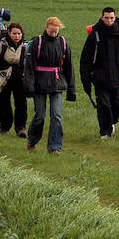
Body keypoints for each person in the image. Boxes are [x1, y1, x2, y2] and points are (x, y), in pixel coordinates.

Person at [79, 7, 119, 139]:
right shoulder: (95, 34)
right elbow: (85, 59)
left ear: (115, 18)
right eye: (106, 18)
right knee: (103, 106)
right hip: (100, 79)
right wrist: (86, 80)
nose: (109, 20)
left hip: (118, 79)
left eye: (111, 18)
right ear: (102, 18)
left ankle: (111, 123)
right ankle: (105, 132)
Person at [23, 16, 75, 154]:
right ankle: (32, 140)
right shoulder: (37, 43)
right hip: (39, 84)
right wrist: (29, 86)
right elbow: (29, 67)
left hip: (57, 84)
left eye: (56, 32)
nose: (54, 34)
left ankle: (55, 147)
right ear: (46, 28)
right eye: (52, 31)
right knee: (40, 115)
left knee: (56, 115)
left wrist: (71, 89)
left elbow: (69, 67)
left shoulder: (63, 43)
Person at [0, 22, 28, 137]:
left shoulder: (26, 47)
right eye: (14, 33)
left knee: (21, 103)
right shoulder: (1, 46)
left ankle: (20, 128)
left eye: (19, 33)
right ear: (9, 33)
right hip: (4, 78)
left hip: (20, 78)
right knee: (4, 102)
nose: (17, 36)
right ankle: (5, 125)